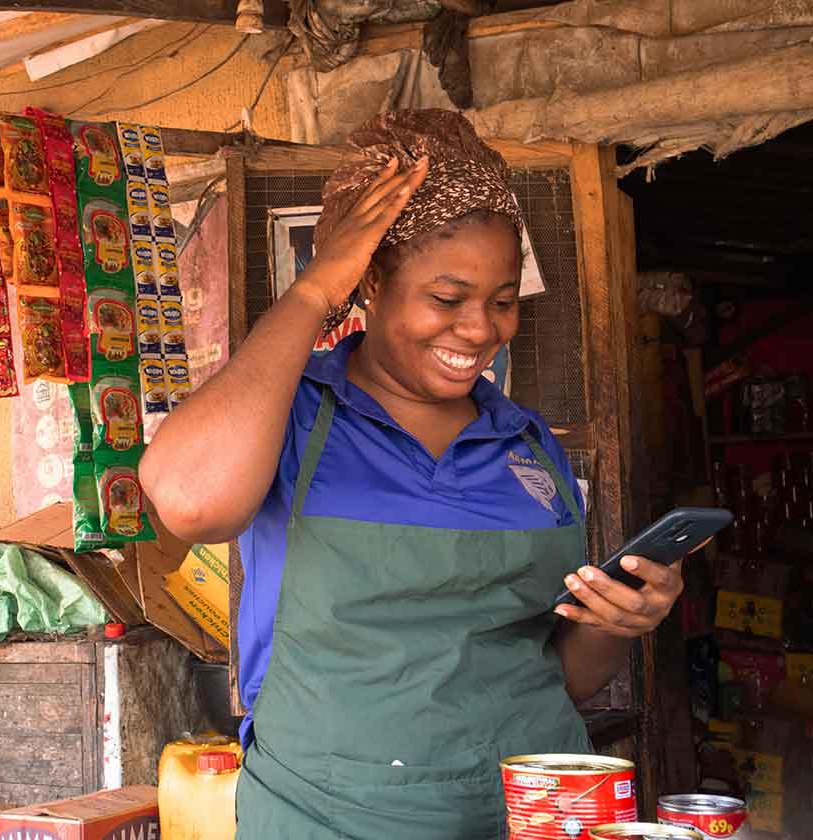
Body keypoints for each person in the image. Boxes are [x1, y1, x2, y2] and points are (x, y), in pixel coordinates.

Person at [139, 110, 690, 839]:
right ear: (369, 280)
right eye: (447, 298)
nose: (480, 331)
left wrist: (621, 623)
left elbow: (558, 675)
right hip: (328, 818)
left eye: (501, 303)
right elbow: (187, 503)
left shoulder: (527, 447)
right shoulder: (294, 415)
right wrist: (314, 289)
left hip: (527, 817)